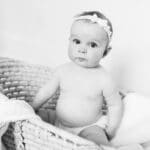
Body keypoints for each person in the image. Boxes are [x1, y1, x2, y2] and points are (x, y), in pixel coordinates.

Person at [31, 11, 124, 146]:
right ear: (69, 41)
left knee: (98, 143)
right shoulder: (62, 70)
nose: (82, 49)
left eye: (92, 45)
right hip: (58, 120)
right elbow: (46, 91)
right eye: (77, 41)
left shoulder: (104, 79)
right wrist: (32, 107)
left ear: (105, 52)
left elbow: (115, 105)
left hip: (88, 127)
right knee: (34, 117)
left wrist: (110, 131)